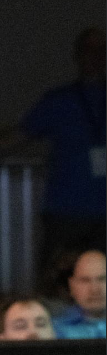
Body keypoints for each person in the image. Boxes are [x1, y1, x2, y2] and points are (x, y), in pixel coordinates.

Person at [21, 27, 106, 268]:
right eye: (89, 50)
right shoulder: (59, 100)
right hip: (66, 210)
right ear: (77, 56)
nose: (96, 57)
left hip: (104, 212)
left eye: (102, 50)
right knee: (55, 277)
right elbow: (21, 134)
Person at [54, 250, 106, 339]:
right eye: (85, 280)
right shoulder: (53, 329)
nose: (95, 289)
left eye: (102, 279)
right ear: (72, 286)